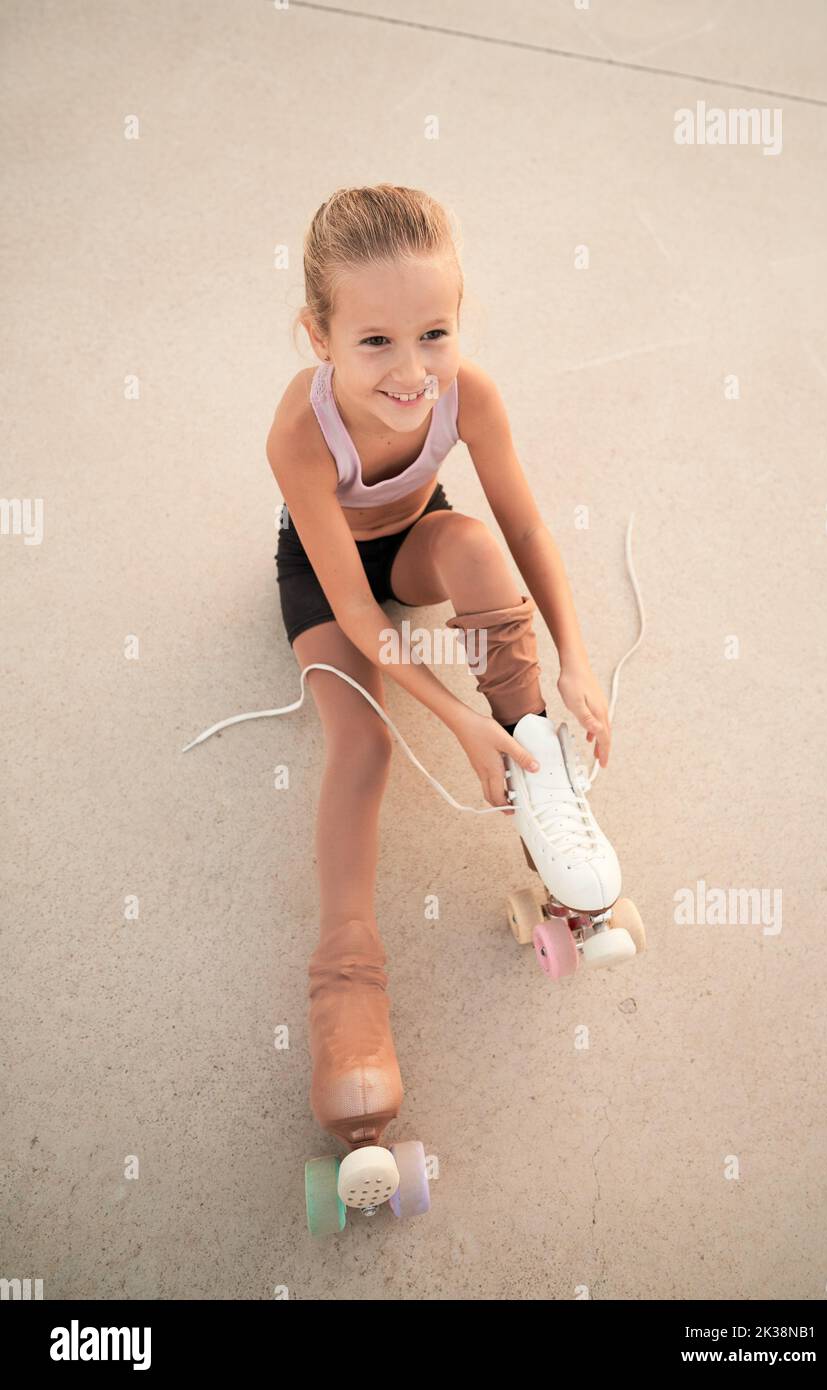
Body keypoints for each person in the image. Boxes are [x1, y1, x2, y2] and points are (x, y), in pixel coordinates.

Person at [267, 184, 612, 1152]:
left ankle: (539, 778)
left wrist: (572, 666)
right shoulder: (298, 432)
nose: (411, 369)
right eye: (373, 341)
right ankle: (346, 986)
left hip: (414, 542)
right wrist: (453, 720)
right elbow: (356, 615)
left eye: (433, 332)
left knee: (464, 542)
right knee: (364, 744)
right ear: (317, 334)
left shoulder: (469, 393)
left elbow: (524, 526)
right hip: (326, 575)